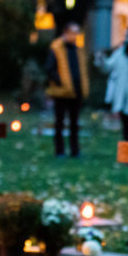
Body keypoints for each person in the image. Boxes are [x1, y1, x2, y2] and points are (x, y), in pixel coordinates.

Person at [45, 22, 89, 157]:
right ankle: (60, 150)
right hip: (61, 93)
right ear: (66, 32)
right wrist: (60, 82)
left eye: (77, 32)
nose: (75, 36)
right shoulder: (56, 47)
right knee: (59, 123)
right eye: (73, 32)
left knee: (74, 124)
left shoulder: (77, 49)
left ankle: (75, 150)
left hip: (76, 92)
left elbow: (81, 70)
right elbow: (49, 68)